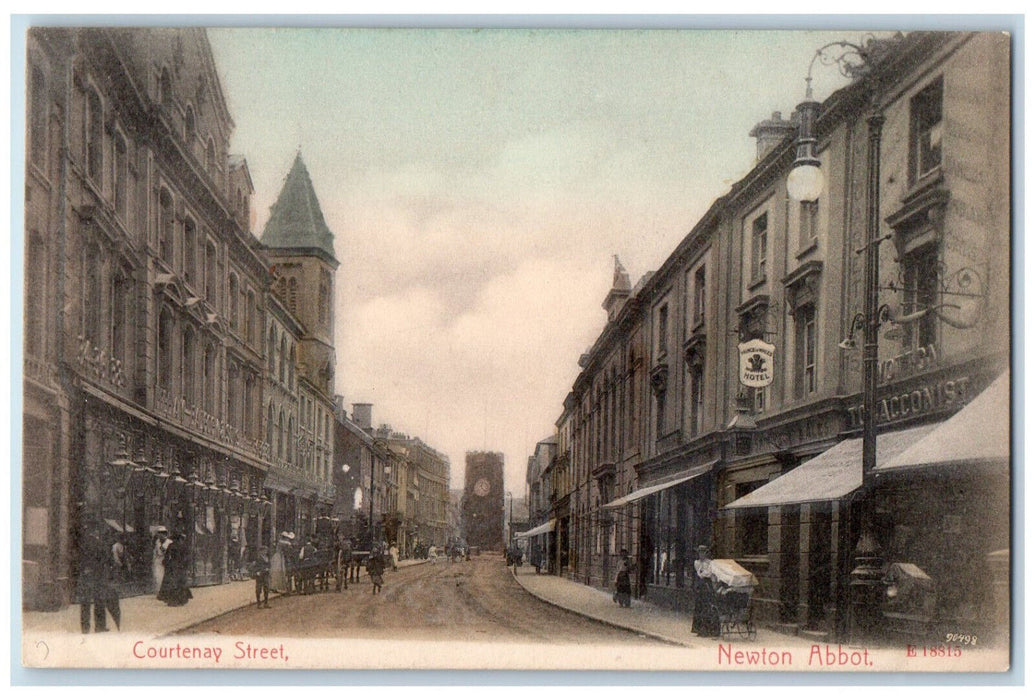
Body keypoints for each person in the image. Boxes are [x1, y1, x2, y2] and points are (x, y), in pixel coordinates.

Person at [75, 528, 120, 633]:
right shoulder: (99, 543)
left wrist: (84, 569)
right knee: (99, 601)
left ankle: (85, 627)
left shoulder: (82, 542)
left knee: (85, 602)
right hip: (98, 576)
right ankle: (100, 626)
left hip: (86, 575)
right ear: (96, 532)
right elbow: (105, 558)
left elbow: (77, 558)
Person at [157, 532, 192, 606]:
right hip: (181, 566)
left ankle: (173, 600)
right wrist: (187, 566)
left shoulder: (171, 545)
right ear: (180, 539)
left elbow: (167, 556)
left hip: (173, 565)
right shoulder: (184, 546)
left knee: (173, 583)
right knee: (181, 582)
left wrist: (166, 563)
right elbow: (187, 557)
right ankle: (182, 600)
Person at [692, 545, 720, 638]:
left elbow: (709, 573)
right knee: (699, 607)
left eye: (703, 552)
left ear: (706, 553)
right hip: (700, 585)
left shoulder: (710, 563)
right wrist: (703, 573)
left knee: (708, 607)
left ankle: (709, 630)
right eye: (700, 552)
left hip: (707, 586)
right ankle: (700, 630)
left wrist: (703, 573)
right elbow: (699, 573)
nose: (701, 554)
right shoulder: (697, 563)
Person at [152, 527, 170, 594]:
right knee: (158, 576)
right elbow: (155, 551)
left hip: (166, 559)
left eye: (162, 533)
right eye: (159, 533)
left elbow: (166, 551)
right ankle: (159, 591)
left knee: (164, 576)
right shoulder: (157, 542)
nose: (160, 535)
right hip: (158, 560)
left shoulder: (169, 542)